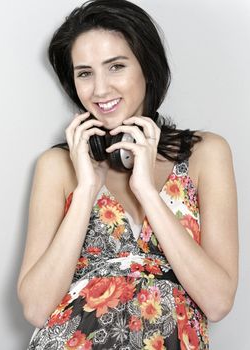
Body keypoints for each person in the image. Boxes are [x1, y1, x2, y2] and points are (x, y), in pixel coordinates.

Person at [16, 0, 239, 349]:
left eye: (116, 66)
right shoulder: (57, 166)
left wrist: (147, 190)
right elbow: (36, 307)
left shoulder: (205, 154)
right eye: (85, 73)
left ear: (147, 67)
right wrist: (87, 188)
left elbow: (218, 301)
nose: (100, 90)